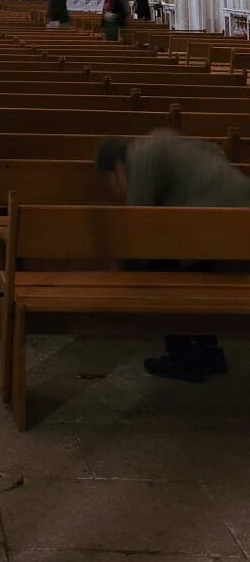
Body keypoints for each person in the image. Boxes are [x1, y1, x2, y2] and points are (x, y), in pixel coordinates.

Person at [96, 129, 250, 381]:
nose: (114, 189)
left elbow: (138, 227)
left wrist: (117, 281)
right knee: (192, 272)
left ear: (117, 168)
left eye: (110, 181)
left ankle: (183, 357)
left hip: (215, 226)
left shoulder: (142, 159)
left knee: (162, 268)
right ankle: (208, 351)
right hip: (240, 216)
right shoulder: (162, 141)